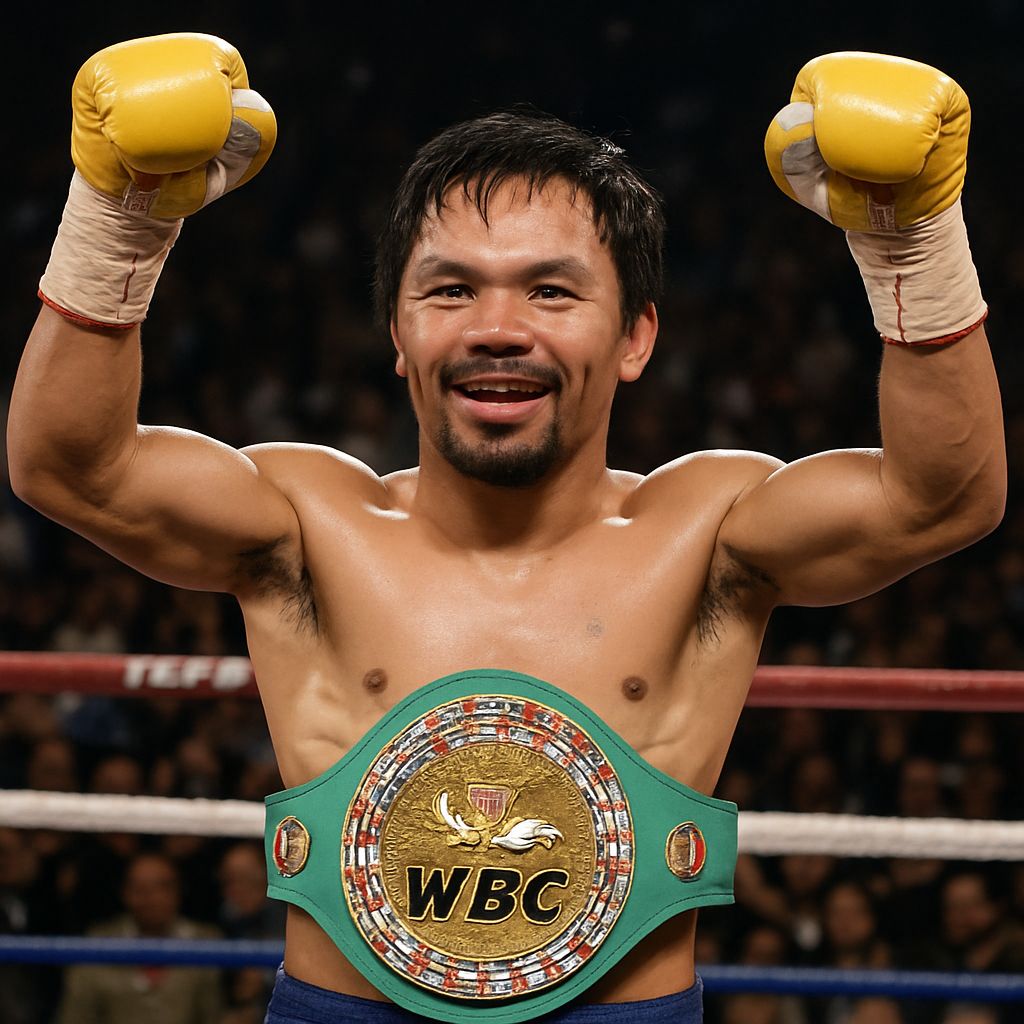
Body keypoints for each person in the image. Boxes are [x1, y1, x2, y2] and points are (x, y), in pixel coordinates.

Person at [7, 32, 1006, 1024]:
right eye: (450, 288)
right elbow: (68, 464)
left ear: (635, 336)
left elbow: (941, 495)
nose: (498, 327)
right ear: (397, 334)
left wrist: (908, 242)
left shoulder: (708, 531)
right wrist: (119, 222)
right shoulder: (304, 524)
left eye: (551, 289)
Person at [55, 852, 222, 1024]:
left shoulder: (205, 942)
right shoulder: (98, 944)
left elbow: (215, 1014)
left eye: (162, 887)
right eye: (139, 888)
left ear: (178, 891)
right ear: (125, 893)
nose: (151, 898)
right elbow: (75, 1016)